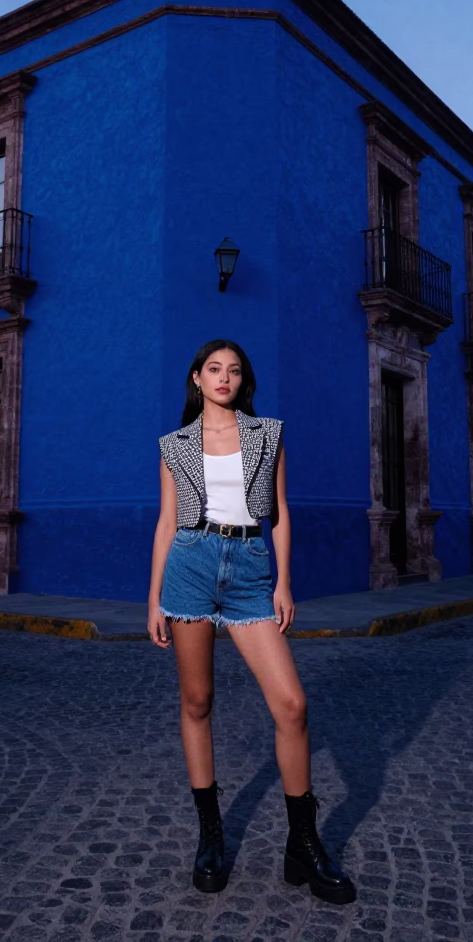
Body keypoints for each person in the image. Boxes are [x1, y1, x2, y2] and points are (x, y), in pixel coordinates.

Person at [148, 339, 356, 904]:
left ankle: (302, 842)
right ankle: (210, 833)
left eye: (234, 371)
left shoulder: (268, 434)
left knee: (291, 704)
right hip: (189, 568)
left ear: (243, 381)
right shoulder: (174, 444)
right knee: (197, 701)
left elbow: (281, 514)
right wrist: (152, 600)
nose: (224, 378)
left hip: (249, 571)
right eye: (214, 369)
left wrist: (284, 582)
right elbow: (167, 522)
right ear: (196, 378)